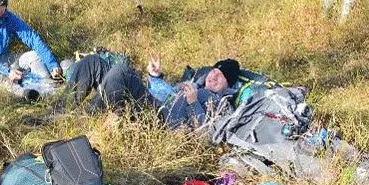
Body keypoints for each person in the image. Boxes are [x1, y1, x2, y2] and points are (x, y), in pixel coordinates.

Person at [65, 54, 240, 128]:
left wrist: (194, 103)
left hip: (162, 119)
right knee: (94, 62)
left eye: (221, 76)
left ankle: (84, 119)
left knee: (121, 71)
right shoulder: (195, 84)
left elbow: (206, 135)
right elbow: (168, 93)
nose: (214, 76)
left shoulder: (220, 104)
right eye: (214, 71)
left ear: (228, 85)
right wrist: (155, 76)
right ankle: (62, 110)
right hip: (154, 101)